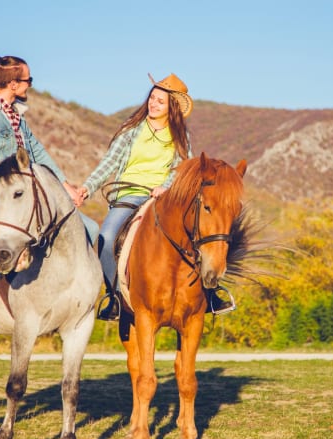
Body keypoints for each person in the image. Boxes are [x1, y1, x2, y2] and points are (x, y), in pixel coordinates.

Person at [75, 73, 234, 320]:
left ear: (171, 106)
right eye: (152, 98)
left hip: (162, 198)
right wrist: (87, 187)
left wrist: (166, 186)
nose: (153, 103)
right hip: (128, 195)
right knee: (106, 238)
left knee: (197, 234)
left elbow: (184, 167)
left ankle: (210, 293)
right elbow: (109, 163)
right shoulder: (131, 130)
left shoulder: (180, 135)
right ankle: (114, 296)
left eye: (160, 101)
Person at [0, 55, 80, 332]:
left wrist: (66, 186)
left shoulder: (16, 114)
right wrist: (11, 172)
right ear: (14, 84)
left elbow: (37, 152)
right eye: (28, 80)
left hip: (22, 191)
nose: (30, 85)